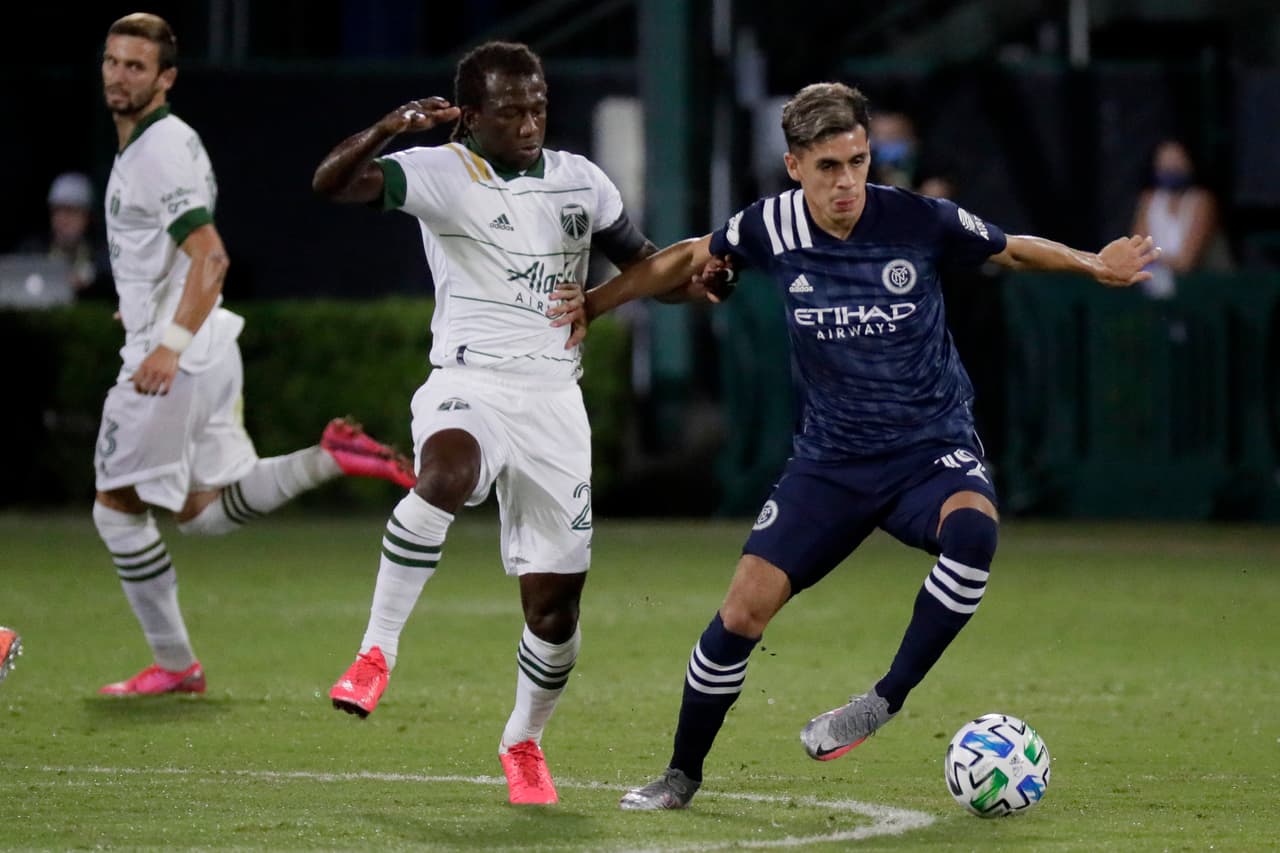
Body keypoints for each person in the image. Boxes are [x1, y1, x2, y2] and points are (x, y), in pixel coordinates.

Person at [580, 82, 1159, 810]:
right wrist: (595, 305)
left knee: (975, 530)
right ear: (794, 165)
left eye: (858, 161)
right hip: (830, 464)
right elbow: (687, 258)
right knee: (741, 613)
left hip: (929, 447)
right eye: (829, 166)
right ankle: (681, 774)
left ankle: (884, 699)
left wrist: (1092, 263)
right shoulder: (770, 226)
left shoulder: (914, 218)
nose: (848, 181)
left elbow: (1011, 248)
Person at [311, 41, 705, 806]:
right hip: (469, 382)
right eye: (511, 109)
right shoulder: (440, 172)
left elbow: (647, 264)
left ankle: (523, 739)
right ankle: (375, 652)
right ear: (473, 115)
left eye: (538, 106)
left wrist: (698, 282)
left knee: (553, 612)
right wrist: (392, 125)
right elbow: (332, 183)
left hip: (555, 404)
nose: (529, 122)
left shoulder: (580, 180)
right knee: (444, 476)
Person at [93, 14, 415, 698]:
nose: (119, 76)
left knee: (115, 509)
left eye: (136, 66)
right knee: (204, 511)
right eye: (113, 62)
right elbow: (169, 254)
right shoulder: (153, 145)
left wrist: (167, 346)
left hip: (178, 353)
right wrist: (146, 302)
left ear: (165, 78)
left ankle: (176, 664)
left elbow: (210, 254)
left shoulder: (159, 150)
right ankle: (330, 456)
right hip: (206, 343)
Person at [1131, 138, 1232, 299]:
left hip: (1202, 289)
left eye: (1177, 162)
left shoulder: (1203, 201)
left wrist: (1154, 263)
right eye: (1165, 163)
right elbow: (1137, 252)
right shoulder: (1149, 200)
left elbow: (1186, 263)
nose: (1171, 169)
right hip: (1154, 284)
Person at [18, 172, 111, 298]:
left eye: (71, 212)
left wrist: (89, 274)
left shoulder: (100, 251)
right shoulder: (33, 250)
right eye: (57, 211)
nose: (62, 220)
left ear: (87, 217)